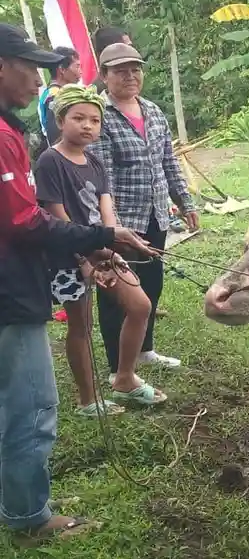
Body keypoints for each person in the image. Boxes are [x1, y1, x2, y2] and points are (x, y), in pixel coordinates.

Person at [0, 23, 155, 539]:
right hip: (13, 291)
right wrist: (101, 239)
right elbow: (25, 221)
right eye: (30, 66)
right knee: (31, 404)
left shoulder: (14, 132)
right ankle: (29, 518)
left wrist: (101, 236)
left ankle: (22, 499)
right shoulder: (12, 141)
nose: (37, 78)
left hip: (29, 275)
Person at [34, 83, 165, 414]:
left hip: (101, 250)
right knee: (81, 326)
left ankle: (124, 378)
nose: (87, 125)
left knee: (140, 306)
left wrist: (112, 246)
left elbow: (106, 209)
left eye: (94, 120)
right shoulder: (50, 161)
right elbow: (57, 218)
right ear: (61, 120)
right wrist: (85, 261)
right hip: (69, 256)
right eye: (78, 118)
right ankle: (87, 399)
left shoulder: (93, 160)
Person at [88, 42, 197, 381]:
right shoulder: (100, 117)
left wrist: (185, 202)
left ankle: (145, 349)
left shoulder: (151, 111)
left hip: (155, 215)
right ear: (105, 76)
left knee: (151, 282)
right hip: (120, 222)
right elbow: (101, 176)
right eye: (120, 70)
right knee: (116, 291)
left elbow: (168, 162)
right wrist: (111, 227)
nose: (130, 75)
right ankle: (115, 365)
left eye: (135, 69)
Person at [33, 46, 81, 156]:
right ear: (62, 69)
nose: (81, 71)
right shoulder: (55, 96)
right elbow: (56, 134)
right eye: (77, 66)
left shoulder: (56, 92)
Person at [89, 26, 131, 96]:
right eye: (126, 47)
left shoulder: (133, 80)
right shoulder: (95, 94)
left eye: (130, 46)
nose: (131, 50)